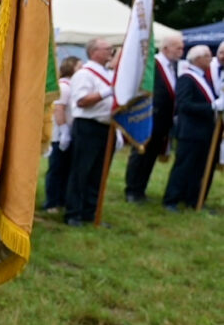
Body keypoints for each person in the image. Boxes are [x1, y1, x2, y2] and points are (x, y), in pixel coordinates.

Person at [163, 45, 223, 210]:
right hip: (190, 131)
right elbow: (184, 105)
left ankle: (193, 199)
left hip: (205, 131)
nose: (211, 59)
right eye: (207, 56)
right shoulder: (187, 78)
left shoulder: (205, 78)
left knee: (199, 169)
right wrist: (212, 106)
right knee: (183, 167)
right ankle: (171, 199)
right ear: (198, 59)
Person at [124, 36, 182, 203]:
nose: (181, 52)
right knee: (140, 154)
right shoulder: (154, 65)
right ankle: (132, 190)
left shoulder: (175, 67)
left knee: (151, 156)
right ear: (166, 48)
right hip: (149, 115)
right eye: (177, 48)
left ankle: (141, 189)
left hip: (164, 119)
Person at [64, 38, 115, 226]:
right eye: (107, 48)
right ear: (94, 51)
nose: (111, 51)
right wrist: (107, 92)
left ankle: (91, 212)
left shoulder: (107, 73)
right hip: (88, 126)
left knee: (98, 173)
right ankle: (73, 213)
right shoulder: (84, 74)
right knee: (81, 171)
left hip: (105, 127)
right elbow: (81, 101)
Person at [44, 56, 82, 211]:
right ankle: (52, 202)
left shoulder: (72, 85)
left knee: (65, 169)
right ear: (71, 67)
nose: (82, 68)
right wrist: (64, 130)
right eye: (79, 66)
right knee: (57, 169)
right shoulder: (65, 87)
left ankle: (61, 199)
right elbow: (59, 109)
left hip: (67, 134)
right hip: (59, 135)